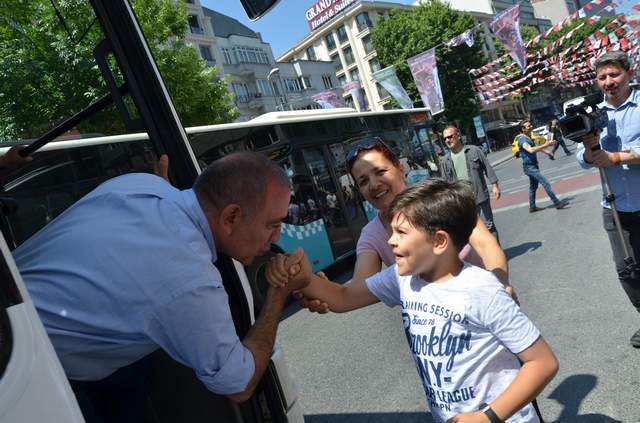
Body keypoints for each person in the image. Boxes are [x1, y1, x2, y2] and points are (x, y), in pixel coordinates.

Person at [13, 152, 308, 421]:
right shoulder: (190, 279)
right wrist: (277, 295)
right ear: (230, 216)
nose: (276, 237)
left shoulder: (140, 184)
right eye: (272, 224)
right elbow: (238, 384)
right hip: (22, 372)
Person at [269, 179, 558, 423]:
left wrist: (487, 417)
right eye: (391, 232)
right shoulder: (403, 278)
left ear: (440, 241)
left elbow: (542, 362)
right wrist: (305, 278)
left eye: (401, 233)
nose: (391, 241)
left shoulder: (481, 289)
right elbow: (343, 297)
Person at [297, 137, 514, 314]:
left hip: (489, 309)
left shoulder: (441, 199)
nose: (374, 184)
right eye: (363, 181)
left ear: (400, 168)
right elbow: (353, 292)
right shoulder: (371, 235)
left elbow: (485, 244)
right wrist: (316, 287)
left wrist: (499, 286)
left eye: (380, 172)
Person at [576, 51, 640, 348]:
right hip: (614, 207)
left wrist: (615, 157)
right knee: (626, 269)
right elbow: (582, 157)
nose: (608, 82)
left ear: (628, 73)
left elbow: (618, 156)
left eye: (613, 75)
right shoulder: (593, 114)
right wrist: (590, 151)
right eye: (602, 77)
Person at [439, 124, 501, 241]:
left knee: (489, 226)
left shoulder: (474, 151)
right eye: (445, 138)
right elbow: (445, 185)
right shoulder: (445, 161)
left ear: (458, 136)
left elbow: (487, 168)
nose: (447, 140)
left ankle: (498, 256)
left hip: (480, 195)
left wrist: (495, 186)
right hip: (462, 200)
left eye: (450, 136)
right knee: (470, 231)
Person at [517, 119, 568, 213]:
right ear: (523, 129)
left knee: (533, 187)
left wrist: (548, 152)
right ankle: (557, 203)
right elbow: (531, 150)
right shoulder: (521, 139)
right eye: (529, 126)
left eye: (530, 125)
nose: (531, 126)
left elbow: (535, 146)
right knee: (545, 183)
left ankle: (532, 207)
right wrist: (546, 144)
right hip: (529, 167)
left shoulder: (528, 137)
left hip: (533, 166)